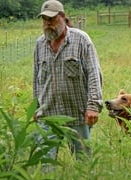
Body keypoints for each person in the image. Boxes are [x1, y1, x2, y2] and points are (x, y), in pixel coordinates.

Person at [33, 0, 103, 162]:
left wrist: (93, 106)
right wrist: (35, 107)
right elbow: (36, 79)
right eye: (45, 20)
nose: (48, 24)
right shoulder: (39, 44)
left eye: (52, 19)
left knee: (83, 161)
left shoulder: (81, 40)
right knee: (45, 161)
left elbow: (94, 74)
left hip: (76, 112)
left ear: (63, 17)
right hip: (48, 113)